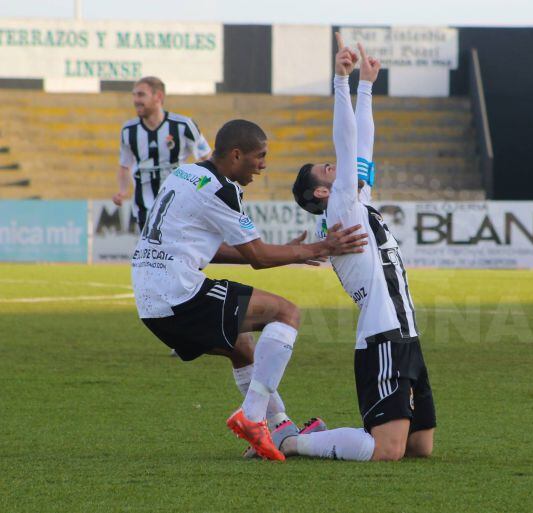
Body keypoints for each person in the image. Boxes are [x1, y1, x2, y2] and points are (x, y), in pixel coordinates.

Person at [131, 118, 367, 461]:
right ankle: (253, 417)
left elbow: (209, 248)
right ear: (237, 155)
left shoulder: (186, 174)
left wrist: (286, 251)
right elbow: (257, 256)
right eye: (260, 156)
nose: (263, 165)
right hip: (178, 293)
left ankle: (280, 427)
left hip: (152, 301)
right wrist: (318, 248)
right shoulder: (221, 190)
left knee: (242, 345)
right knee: (286, 313)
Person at [286, 35, 435, 461]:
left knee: (419, 449)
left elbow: (362, 146)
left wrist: (367, 85)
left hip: (406, 332)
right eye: (329, 168)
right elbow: (348, 141)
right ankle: (294, 441)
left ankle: (318, 433)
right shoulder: (340, 209)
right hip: (382, 336)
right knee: (387, 452)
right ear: (321, 190)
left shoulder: (357, 202)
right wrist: (342, 81)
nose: (341, 166)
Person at [113, 76, 211, 229]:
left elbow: (208, 161)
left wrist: (199, 188)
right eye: (134, 95)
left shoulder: (184, 126)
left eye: (141, 95)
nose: (136, 100)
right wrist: (122, 191)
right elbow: (124, 166)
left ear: (158, 96)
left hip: (179, 204)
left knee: (178, 250)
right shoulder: (128, 130)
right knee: (151, 251)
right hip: (144, 207)